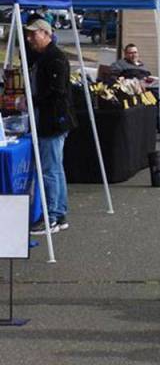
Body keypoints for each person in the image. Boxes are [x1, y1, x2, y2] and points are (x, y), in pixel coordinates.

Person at [25, 16, 75, 235]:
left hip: (52, 120)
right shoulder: (42, 56)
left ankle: (52, 216)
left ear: (46, 34)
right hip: (52, 119)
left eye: (33, 34)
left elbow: (56, 91)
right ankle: (59, 213)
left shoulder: (55, 58)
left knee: (50, 169)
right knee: (55, 167)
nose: (29, 38)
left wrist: (32, 100)